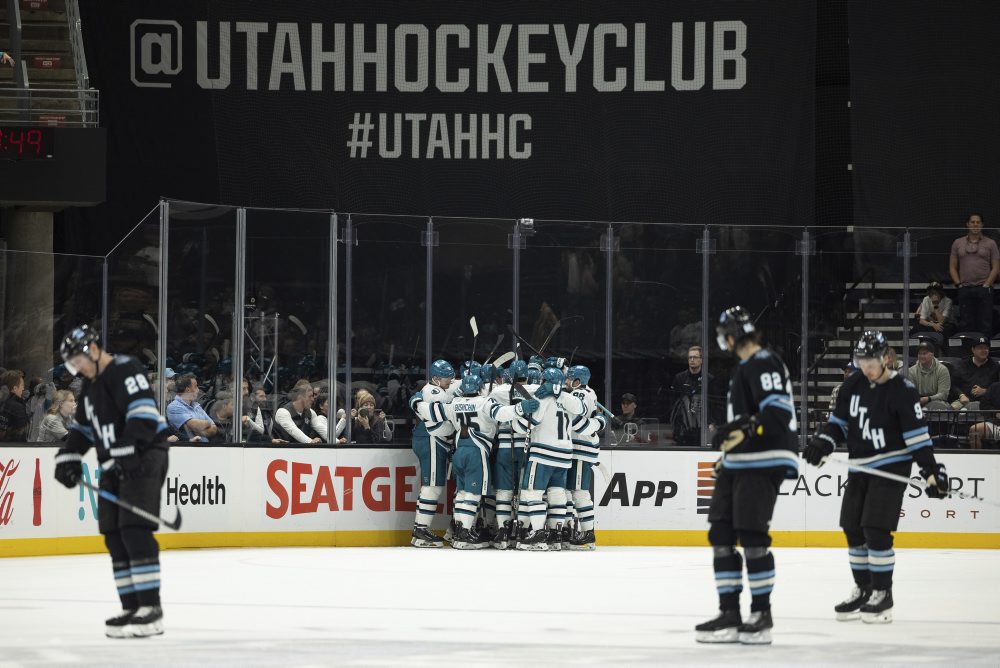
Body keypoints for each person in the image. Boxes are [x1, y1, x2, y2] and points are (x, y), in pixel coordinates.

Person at [804, 330, 949, 624]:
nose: (866, 366)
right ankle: (863, 588)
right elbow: (838, 425)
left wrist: (931, 471)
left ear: (885, 358)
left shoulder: (903, 390)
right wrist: (822, 442)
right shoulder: (852, 385)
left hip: (892, 467)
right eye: (861, 360)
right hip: (861, 467)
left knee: (876, 529)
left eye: (871, 360)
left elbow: (917, 437)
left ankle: (883, 595)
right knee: (853, 529)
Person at [52, 325, 171, 638]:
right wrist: (69, 457)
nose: (76, 369)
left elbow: (143, 414)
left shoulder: (125, 369)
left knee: (134, 528)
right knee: (113, 533)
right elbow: (83, 430)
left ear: (92, 349)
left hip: (144, 455)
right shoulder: (90, 388)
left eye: (78, 361)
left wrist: (126, 451)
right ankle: (132, 607)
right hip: (115, 461)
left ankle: (151, 609)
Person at [695, 306, 798, 646]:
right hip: (739, 463)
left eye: (723, 334)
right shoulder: (743, 367)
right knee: (720, 534)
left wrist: (742, 430)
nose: (721, 340)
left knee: (753, 538)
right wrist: (731, 451)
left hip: (764, 461)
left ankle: (761, 614)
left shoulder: (763, 361)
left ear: (731, 335)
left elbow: (778, 413)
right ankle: (729, 613)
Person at [443, 373, 535, 549]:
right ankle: (466, 534)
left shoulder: (454, 403)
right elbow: (502, 413)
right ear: (479, 388)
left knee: (462, 494)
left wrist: (416, 402)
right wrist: (521, 408)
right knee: (473, 494)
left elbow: (434, 412)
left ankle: (460, 531)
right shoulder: (485, 402)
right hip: (477, 450)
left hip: (459, 449)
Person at [512, 366, 585, 551]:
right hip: (564, 455)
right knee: (557, 494)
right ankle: (556, 535)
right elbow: (581, 409)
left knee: (531, 492)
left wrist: (514, 417)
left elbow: (529, 423)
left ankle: (538, 534)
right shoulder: (569, 399)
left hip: (543, 453)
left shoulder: (542, 397)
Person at [407, 360, 458, 547]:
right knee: (433, 486)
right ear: (436, 379)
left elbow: (456, 387)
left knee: (433, 486)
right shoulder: (433, 392)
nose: (450, 381)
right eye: (447, 378)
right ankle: (421, 530)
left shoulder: (438, 389)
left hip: (433, 439)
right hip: (431, 440)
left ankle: (419, 529)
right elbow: (442, 412)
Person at [566, 365, 607, 550]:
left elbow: (575, 423)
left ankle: (588, 534)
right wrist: (598, 422)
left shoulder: (579, 395)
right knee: (572, 491)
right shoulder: (588, 392)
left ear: (577, 380)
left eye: (569, 378)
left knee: (579, 492)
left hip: (580, 448)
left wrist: (596, 424)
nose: (566, 381)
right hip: (580, 448)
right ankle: (578, 531)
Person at [949, 213, 999, 336]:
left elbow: (996, 267)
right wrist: (959, 285)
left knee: (985, 321)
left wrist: (987, 285)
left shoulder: (991, 243)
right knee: (966, 322)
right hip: (964, 288)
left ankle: (985, 351)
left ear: (982, 225)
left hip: (984, 287)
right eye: (972, 222)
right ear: (967, 224)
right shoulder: (958, 243)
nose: (975, 224)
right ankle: (967, 351)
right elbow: (952, 267)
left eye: (978, 222)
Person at [670, 346, 719, 447]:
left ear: (701, 360)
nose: (692, 360)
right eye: (690, 357)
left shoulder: (709, 379)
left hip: (703, 427)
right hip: (683, 428)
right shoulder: (679, 378)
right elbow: (674, 402)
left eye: (695, 357)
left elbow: (714, 404)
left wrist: (712, 422)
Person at [949, 336, 999, 410]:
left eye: (986, 348)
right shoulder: (962, 364)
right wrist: (961, 395)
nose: (984, 350)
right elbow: (953, 384)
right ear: (973, 350)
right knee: (950, 410)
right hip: (964, 400)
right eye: (980, 348)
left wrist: (985, 391)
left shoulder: (995, 366)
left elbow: (998, 387)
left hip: (987, 402)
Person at [166, 374, 219, 442]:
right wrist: (208, 424)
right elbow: (196, 426)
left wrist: (201, 431)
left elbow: (214, 429)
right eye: (196, 387)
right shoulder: (174, 407)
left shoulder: (197, 406)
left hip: (204, 447)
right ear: (188, 390)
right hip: (189, 448)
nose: (198, 390)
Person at [906, 342, 951, 410]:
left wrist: (928, 399)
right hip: (918, 402)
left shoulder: (942, 370)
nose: (921, 356)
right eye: (919, 354)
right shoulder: (911, 371)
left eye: (924, 353)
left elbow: (943, 394)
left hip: (938, 403)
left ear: (932, 354)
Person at [0, 369, 30, 441]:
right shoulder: (18, 407)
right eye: (22, 385)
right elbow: (20, 436)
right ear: (15, 388)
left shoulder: (2, 402)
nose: (23, 388)